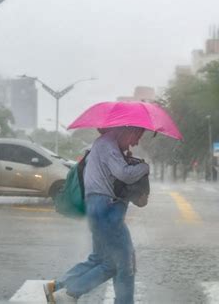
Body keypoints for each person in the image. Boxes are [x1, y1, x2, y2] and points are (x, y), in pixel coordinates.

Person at [44, 126, 149, 304]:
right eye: (137, 135)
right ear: (128, 130)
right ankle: (70, 293)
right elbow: (124, 174)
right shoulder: (107, 144)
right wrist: (143, 167)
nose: (137, 142)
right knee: (122, 264)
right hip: (108, 209)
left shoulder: (106, 146)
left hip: (99, 208)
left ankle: (60, 287)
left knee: (100, 259)